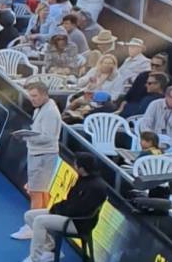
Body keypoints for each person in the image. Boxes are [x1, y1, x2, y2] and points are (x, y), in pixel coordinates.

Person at [21, 159, 105, 262]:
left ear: (82, 168)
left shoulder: (96, 187)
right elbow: (70, 200)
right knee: (29, 216)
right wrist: (56, 209)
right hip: (65, 214)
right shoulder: (82, 179)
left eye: (76, 165)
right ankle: (51, 249)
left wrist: (59, 211)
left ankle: (35, 258)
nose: (74, 166)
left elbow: (80, 210)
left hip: (77, 222)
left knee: (39, 221)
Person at [13, 81, 63, 240]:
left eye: (34, 96)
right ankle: (40, 224)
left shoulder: (50, 112)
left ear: (44, 94)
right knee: (40, 191)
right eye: (30, 96)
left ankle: (32, 227)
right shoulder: (41, 108)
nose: (32, 99)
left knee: (35, 192)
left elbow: (48, 137)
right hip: (39, 154)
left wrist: (27, 136)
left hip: (43, 156)